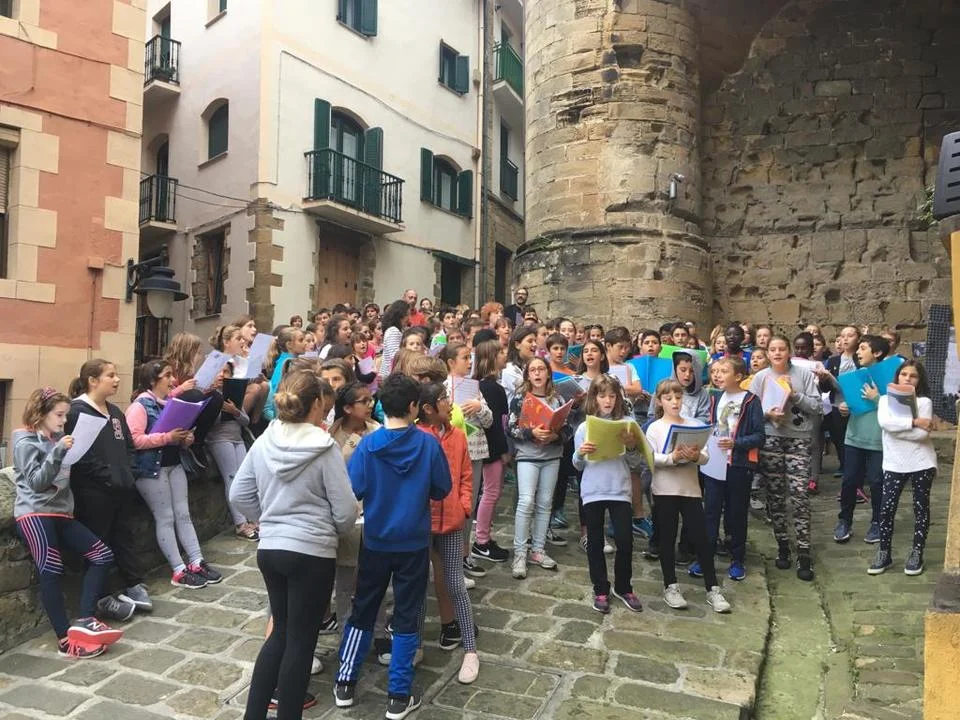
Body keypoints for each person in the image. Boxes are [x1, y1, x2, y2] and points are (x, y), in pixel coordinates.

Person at [231, 370, 358, 720]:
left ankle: (254, 714)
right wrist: (329, 529)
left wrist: (269, 519)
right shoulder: (324, 448)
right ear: (317, 403)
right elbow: (345, 511)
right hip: (311, 551)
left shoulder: (265, 440)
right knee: (301, 641)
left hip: (271, 549)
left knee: (279, 634)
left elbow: (238, 493)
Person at [334, 374, 451, 718]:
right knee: (406, 614)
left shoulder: (368, 445)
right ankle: (398, 694)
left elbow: (354, 488)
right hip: (413, 542)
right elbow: (441, 488)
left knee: (363, 608)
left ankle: (345, 681)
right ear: (414, 406)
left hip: (376, 540)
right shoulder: (428, 444)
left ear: (382, 405)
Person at [13, 387, 124, 658]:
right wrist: (58, 451)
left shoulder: (57, 438)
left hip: (62, 513)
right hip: (35, 514)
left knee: (102, 555)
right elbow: (36, 483)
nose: (64, 421)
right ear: (41, 414)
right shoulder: (24, 442)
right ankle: (65, 640)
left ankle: (85, 620)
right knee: (51, 569)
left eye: (65, 415)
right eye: (59, 415)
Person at [126, 360, 222, 589]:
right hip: (151, 469)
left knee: (183, 513)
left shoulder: (171, 403)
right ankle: (178, 569)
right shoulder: (140, 406)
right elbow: (134, 440)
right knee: (166, 517)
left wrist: (185, 439)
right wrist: (168, 438)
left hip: (174, 463)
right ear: (153, 380)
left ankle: (196, 561)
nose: (173, 380)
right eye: (167, 375)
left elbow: (176, 436)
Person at [66, 359, 143, 621]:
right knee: (99, 543)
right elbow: (81, 455)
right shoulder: (77, 412)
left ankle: (133, 583)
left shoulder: (116, 413)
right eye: (111, 375)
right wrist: (108, 477)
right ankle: (102, 597)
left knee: (123, 536)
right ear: (92, 380)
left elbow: (128, 446)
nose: (117, 380)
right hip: (93, 493)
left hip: (121, 489)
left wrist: (128, 474)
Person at [645, 379, 731, 613]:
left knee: (701, 537)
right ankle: (670, 585)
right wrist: (671, 458)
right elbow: (650, 458)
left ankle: (712, 588)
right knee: (667, 537)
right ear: (660, 401)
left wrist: (695, 456)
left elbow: (705, 456)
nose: (675, 402)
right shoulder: (655, 428)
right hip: (665, 489)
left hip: (690, 489)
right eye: (669, 398)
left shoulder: (693, 424)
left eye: (678, 397)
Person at [417, 384, 480, 684]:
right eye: (443, 399)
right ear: (428, 408)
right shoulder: (417, 436)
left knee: (455, 583)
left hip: (452, 521)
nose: (450, 403)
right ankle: (415, 644)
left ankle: (471, 650)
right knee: (417, 587)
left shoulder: (457, 436)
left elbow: (466, 474)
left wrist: (464, 505)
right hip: (421, 524)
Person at [749, 335, 822, 581]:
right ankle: (782, 543)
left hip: (798, 438)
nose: (777, 353)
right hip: (771, 438)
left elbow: (817, 407)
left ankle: (803, 550)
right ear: (767, 353)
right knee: (775, 495)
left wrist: (794, 395)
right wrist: (767, 415)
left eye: (782, 348)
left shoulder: (804, 375)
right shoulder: (761, 378)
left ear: (789, 351)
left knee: (799, 495)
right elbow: (749, 411)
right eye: (773, 349)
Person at [572, 375, 645, 614]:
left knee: (625, 540)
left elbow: (635, 462)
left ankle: (623, 587)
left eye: (612, 396)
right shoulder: (584, 427)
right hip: (593, 489)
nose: (608, 401)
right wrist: (581, 452)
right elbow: (577, 465)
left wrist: (631, 446)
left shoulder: (627, 423)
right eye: (602, 396)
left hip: (619, 489)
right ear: (594, 398)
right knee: (595, 541)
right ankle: (600, 588)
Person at [701, 357, 764, 581]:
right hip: (714, 464)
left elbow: (759, 436)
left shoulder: (751, 401)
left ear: (738, 376)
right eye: (715, 371)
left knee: (736, 512)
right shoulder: (715, 398)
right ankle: (705, 556)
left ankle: (737, 557)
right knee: (710, 510)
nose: (717, 375)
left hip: (739, 464)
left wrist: (736, 443)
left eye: (724, 371)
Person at [507, 357, 571, 578]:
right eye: (532, 370)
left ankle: (538, 549)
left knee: (545, 503)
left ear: (548, 373)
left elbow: (567, 429)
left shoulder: (558, 398)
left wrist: (556, 436)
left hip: (551, 456)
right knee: (526, 501)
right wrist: (531, 432)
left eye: (541, 369)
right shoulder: (520, 398)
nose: (537, 373)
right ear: (527, 375)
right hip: (528, 456)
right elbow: (511, 427)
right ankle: (520, 552)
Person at [871, 361, 936, 575]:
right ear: (897, 376)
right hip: (894, 462)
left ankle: (917, 552)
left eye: (913, 376)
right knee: (887, 508)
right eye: (904, 374)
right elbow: (885, 424)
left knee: (920, 508)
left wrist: (898, 429)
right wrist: (914, 422)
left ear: (919, 380)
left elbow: (921, 436)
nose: (907, 378)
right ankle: (884, 552)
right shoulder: (884, 400)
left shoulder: (924, 402)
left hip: (921, 461)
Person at [440, 343, 493, 583]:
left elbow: (489, 421)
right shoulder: (442, 388)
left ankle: (464, 554)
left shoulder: (475, 388)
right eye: (465, 358)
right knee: (452, 505)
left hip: (475, 451)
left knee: (469, 505)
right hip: (451, 453)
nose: (470, 362)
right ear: (451, 362)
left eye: (470, 358)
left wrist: (479, 408)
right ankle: (448, 559)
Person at [834, 335, 891, 545]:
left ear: (877, 353)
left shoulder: (891, 377)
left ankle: (878, 522)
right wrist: (844, 408)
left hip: (879, 439)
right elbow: (851, 404)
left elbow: (897, 408)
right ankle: (844, 521)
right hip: (854, 436)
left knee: (877, 482)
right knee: (849, 480)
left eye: (863, 348)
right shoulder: (854, 377)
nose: (858, 352)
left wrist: (877, 399)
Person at [206, 361, 257, 541]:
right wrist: (220, 411)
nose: (222, 375)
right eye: (219, 371)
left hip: (237, 439)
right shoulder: (209, 395)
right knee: (232, 479)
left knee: (246, 478)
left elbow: (245, 420)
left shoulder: (232, 395)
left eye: (226, 372)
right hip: (220, 440)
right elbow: (207, 423)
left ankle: (252, 518)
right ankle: (240, 523)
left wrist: (235, 411)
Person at [471, 340, 511, 563]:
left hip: (490, 448)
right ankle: (482, 541)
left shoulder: (485, 385)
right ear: (491, 358)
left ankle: (485, 536)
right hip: (491, 449)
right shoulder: (491, 388)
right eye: (501, 352)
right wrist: (502, 451)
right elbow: (495, 425)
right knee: (491, 493)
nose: (505, 355)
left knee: (490, 492)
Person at [501, 326, 539, 404]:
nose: (535, 344)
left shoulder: (530, 365)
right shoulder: (509, 370)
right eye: (530, 341)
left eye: (535, 341)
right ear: (517, 345)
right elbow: (529, 392)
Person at [379, 299, 412, 381]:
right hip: (390, 377)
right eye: (407, 315)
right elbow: (395, 356)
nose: (409, 318)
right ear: (400, 315)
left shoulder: (398, 330)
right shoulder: (393, 331)